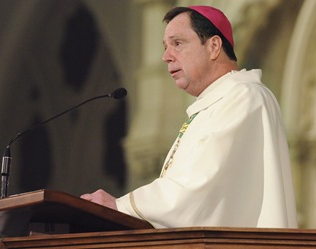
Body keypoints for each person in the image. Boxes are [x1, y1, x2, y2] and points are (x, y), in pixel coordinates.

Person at [81, 5, 298, 228]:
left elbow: (199, 189)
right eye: (165, 47)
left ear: (214, 46)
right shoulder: (214, 104)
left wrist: (121, 206)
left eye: (178, 43)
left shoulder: (245, 97)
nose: (166, 56)